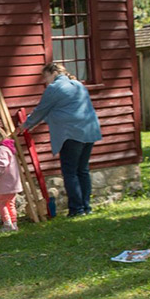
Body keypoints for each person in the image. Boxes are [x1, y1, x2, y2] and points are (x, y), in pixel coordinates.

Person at [17, 63, 102, 217]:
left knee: (70, 172)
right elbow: (62, 109)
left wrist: (25, 124)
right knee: (82, 170)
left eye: (46, 77)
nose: (45, 81)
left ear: (54, 73)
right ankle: (86, 207)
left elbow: (41, 110)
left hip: (71, 134)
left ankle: (77, 209)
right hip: (89, 131)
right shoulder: (78, 84)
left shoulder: (54, 88)